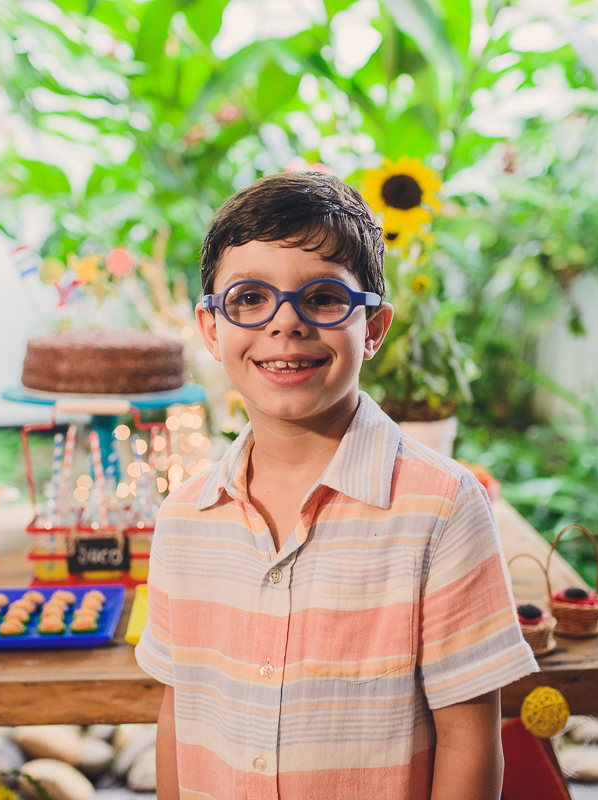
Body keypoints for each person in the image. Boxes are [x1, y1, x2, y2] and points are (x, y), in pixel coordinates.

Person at [135, 171, 539, 800]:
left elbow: (468, 737)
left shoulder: (442, 507)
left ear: (374, 327)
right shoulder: (185, 517)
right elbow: (178, 714)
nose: (285, 324)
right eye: (248, 298)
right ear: (211, 328)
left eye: (322, 297)